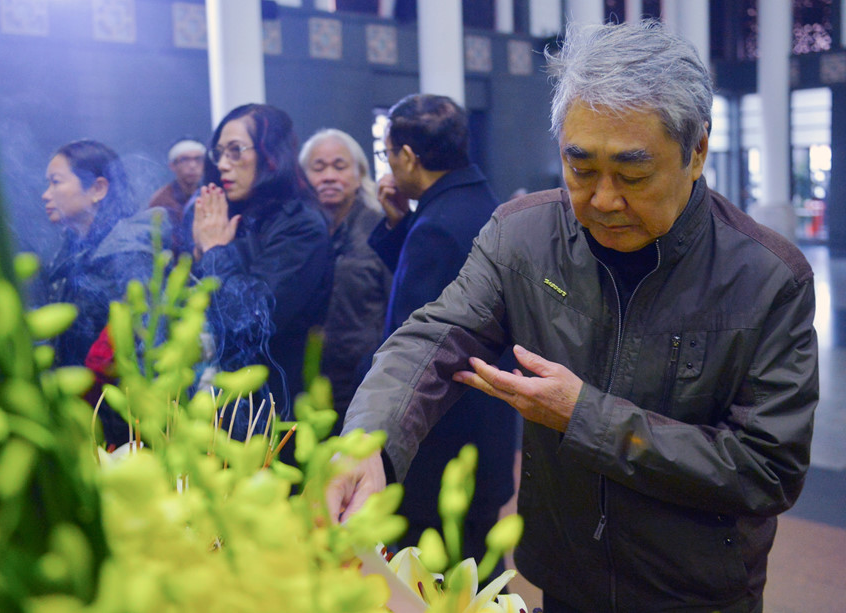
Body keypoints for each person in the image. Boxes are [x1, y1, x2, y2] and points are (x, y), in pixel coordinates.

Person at [327, 21, 819, 613]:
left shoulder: (767, 276)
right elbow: (436, 333)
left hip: (697, 593)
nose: (604, 199)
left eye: (633, 175)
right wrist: (366, 441)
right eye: (580, 169)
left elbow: (767, 468)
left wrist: (585, 417)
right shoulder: (523, 236)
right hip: (564, 581)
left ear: (697, 152)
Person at [366, 94, 520, 572]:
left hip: (442, 447)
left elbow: (415, 344)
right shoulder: (481, 206)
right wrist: (400, 225)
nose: (390, 166)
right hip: (485, 431)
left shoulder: (437, 226)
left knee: (447, 582)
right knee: (475, 572)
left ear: (408, 156)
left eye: (390, 155)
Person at [186, 104, 332, 416]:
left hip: (272, 405)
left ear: (271, 154)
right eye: (219, 152)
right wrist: (199, 256)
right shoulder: (222, 213)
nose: (224, 164)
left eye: (236, 151)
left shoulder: (301, 224)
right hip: (210, 397)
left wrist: (213, 252)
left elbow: (252, 321)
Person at [41, 139, 168, 441]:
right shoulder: (69, 252)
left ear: (98, 189)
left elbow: (140, 350)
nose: (46, 195)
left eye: (56, 182)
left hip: (124, 428)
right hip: (83, 422)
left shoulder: (131, 253)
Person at [299, 128, 391, 427]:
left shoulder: (382, 229)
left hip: (364, 382)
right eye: (318, 167)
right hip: (305, 381)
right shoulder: (293, 234)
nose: (328, 176)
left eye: (339, 166)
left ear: (358, 173)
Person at [148, 136, 208, 250]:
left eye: (198, 159)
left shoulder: (210, 195)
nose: (193, 166)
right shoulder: (161, 201)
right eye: (185, 159)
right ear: (172, 166)